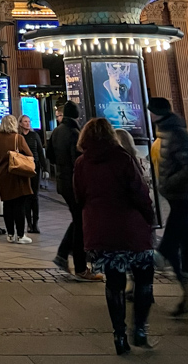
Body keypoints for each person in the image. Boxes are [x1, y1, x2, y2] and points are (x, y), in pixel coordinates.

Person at [74, 118, 155, 354]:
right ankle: (140, 328)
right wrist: (149, 218)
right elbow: (140, 193)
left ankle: (119, 335)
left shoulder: (81, 163)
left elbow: (79, 197)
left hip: (102, 231)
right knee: (143, 280)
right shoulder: (123, 159)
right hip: (132, 230)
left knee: (114, 283)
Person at [47, 101, 100, 281]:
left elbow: (50, 156)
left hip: (62, 182)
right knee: (81, 224)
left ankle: (62, 255)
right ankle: (80, 267)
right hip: (74, 184)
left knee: (78, 219)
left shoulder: (56, 132)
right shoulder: (74, 133)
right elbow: (79, 163)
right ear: (77, 115)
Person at [147, 96, 188, 316]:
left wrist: (170, 182)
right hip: (176, 197)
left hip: (182, 197)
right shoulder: (167, 130)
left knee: (175, 243)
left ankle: (161, 256)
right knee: (181, 244)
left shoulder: (176, 133)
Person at [0, 114, 34, 243]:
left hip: (2, 175)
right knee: (19, 206)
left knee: (7, 205)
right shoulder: (18, 138)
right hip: (17, 175)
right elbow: (29, 154)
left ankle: (9, 234)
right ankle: (20, 235)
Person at [19, 114, 48, 234]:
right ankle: (29, 223)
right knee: (26, 195)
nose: (27, 123)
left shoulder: (34, 135)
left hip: (35, 166)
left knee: (34, 196)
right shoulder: (19, 137)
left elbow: (40, 152)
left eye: (28, 121)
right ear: (20, 123)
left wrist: (44, 168)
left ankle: (35, 223)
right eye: (25, 121)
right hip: (23, 167)